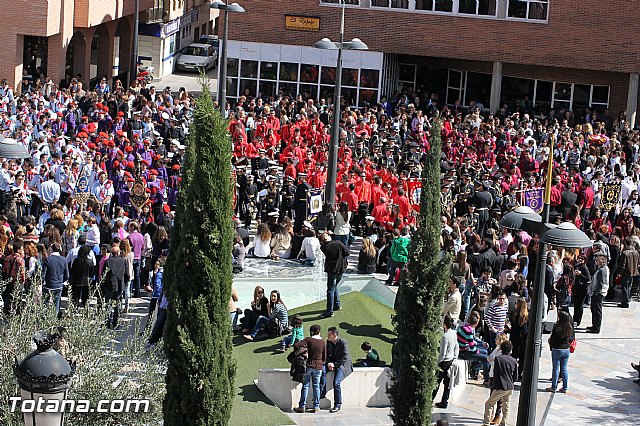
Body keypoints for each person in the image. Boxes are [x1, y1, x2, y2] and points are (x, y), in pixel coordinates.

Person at [482, 341, 518, 426]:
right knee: (506, 406)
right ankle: (503, 423)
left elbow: (496, 373)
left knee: (489, 403)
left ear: (501, 349)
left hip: (500, 386)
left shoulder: (498, 359)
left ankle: (486, 423)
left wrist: (495, 386)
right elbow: (515, 376)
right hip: (510, 387)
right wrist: (510, 382)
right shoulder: (514, 361)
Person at [293, 324, 326, 413]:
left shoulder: (308, 340)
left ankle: (302, 406)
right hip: (319, 366)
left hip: (308, 366)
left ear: (311, 332)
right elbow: (324, 357)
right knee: (316, 386)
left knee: (305, 386)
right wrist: (320, 363)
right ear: (319, 332)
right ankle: (316, 406)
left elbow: (296, 345)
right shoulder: (322, 342)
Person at [320, 327, 353, 413]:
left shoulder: (343, 342)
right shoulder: (329, 342)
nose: (327, 336)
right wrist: (329, 363)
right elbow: (327, 355)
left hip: (342, 365)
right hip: (332, 363)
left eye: (329, 334)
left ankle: (337, 404)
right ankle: (322, 393)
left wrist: (334, 364)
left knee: (336, 382)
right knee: (322, 370)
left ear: (334, 335)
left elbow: (345, 357)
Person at [319, 232, 349, 318]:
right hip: (341, 268)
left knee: (331, 289)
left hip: (332, 270)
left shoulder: (323, 247)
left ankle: (330, 311)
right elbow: (347, 253)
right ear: (328, 237)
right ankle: (336, 305)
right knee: (334, 287)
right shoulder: (338, 243)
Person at [457, 311, 491, 385]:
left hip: (465, 349)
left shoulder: (464, 326)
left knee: (485, 352)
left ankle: (476, 370)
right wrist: (478, 351)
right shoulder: (468, 331)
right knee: (485, 358)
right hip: (464, 352)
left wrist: (481, 344)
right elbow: (473, 348)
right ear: (475, 324)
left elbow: (472, 341)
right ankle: (487, 379)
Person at [433, 315, 459, 409]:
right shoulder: (453, 333)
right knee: (447, 384)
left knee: (436, 382)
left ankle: (430, 399)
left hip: (444, 363)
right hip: (450, 361)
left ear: (444, 324)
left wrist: (437, 363)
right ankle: (444, 402)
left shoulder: (445, 337)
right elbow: (457, 346)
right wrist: (455, 358)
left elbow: (442, 354)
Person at [41, 242, 68, 315]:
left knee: (45, 303)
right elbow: (67, 274)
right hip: (58, 285)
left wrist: (42, 282)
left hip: (48, 285)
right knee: (57, 303)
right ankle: (54, 320)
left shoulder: (48, 259)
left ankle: (44, 318)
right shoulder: (64, 260)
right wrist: (61, 281)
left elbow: (43, 274)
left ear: (51, 249)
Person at [587, 252, 609, 333]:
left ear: (603, 261)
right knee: (594, 309)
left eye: (598, 259)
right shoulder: (600, 268)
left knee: (597, 310)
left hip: (598, 293)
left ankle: (596, 327)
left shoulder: (602, 270)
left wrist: (595, 292)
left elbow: (600, 282)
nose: (596, 260)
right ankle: (594, 325)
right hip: (596, 292)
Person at [508, 297, 529, 379]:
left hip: (515, 337)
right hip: (523, 339)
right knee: (522, 357)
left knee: (514, 355)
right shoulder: (527, 315)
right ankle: (520, 373)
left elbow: (512, 325)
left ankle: (513, 373)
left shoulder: (514, 313)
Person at [617, 237, 639, 308]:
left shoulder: (625, 253)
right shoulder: (636, 252)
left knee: (625, 287)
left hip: (626, 272)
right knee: (629, 286)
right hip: (633, 271)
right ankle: (628, 299)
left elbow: (622, 264)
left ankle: (625, 302)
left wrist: (619, 273)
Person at [572, 254, 591, 327]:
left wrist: (580, 274)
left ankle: (578, 320)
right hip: (576, 288)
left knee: (579, 305)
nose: (580, 260)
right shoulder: (577, 266)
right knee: (576, 305)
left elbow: (588, 278)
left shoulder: (584, 268)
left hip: (582, 289)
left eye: (582, 259)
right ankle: (574, 319)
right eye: (579, 258)